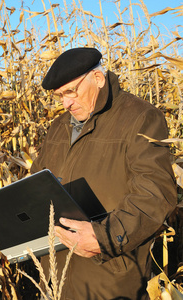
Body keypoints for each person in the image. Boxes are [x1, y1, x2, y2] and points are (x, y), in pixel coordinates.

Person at [31, 47, 176, 299]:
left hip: (109, 275)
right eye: (59, 96)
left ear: (98, 79)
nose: (66, 103)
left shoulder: (141, 117)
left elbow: (156, 194)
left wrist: (104, 237)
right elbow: (36, 182)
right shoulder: (58, 127)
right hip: (55, 272)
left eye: (70, 92)